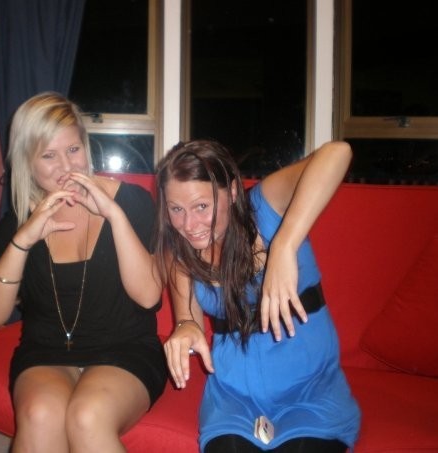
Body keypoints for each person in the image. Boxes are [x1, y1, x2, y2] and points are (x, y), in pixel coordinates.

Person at [0, 92, 167, 452]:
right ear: (27, 162)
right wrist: (23, 240)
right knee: (40, 414)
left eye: (73, 149)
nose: (66, 166)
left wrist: (114, 215)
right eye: (49, 155)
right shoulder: (18, 222)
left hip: (126, 349)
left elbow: (148, 297)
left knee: (87, 415)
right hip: (46, 352)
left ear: (86, 147)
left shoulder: (131, 202)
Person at [154, 139, 361, 452]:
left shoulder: (264, 208)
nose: (189, 224)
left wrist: (284, 245)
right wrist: (185, 329)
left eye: (202, 207)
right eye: (176, 209)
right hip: (234, 398)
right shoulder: (180, 252)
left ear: (232, 192)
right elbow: (188, 320)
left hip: (310, 393)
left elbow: (339, 153)